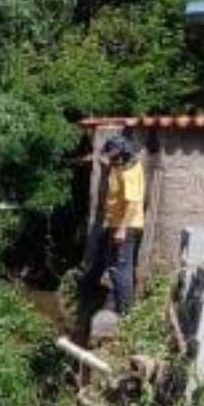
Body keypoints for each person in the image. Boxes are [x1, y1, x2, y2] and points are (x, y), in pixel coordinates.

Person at [79, 132, 146, 333]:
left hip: (125, 226)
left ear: (123, 154)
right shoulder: (120, 165)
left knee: (120, 270)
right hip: (115, 224)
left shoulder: (130, 172)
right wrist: (102, 161)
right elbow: (106, 163)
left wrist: (122, 230)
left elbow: (133, 204)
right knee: (112, 265)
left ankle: (125, 314)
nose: (112, 160)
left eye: (114, 156)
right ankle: (113, 303)